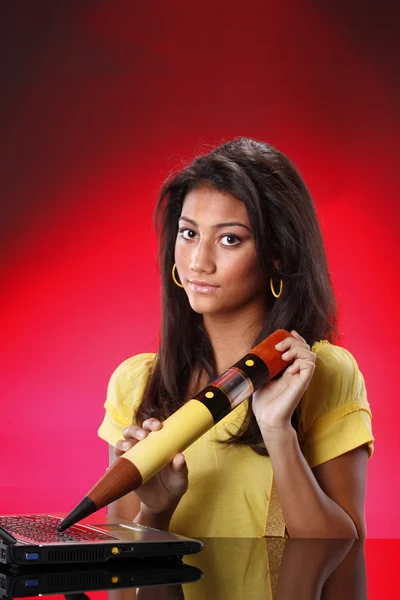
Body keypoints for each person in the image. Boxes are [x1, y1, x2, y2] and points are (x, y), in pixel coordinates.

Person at [98, 137, 374, 538]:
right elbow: (122, 572)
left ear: (277, 253)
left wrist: (278, 431)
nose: (198, 262)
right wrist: (156, 513)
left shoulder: (322, 373)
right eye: (189, 233)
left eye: (230, 239)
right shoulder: (136, 383)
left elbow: (342, 551)